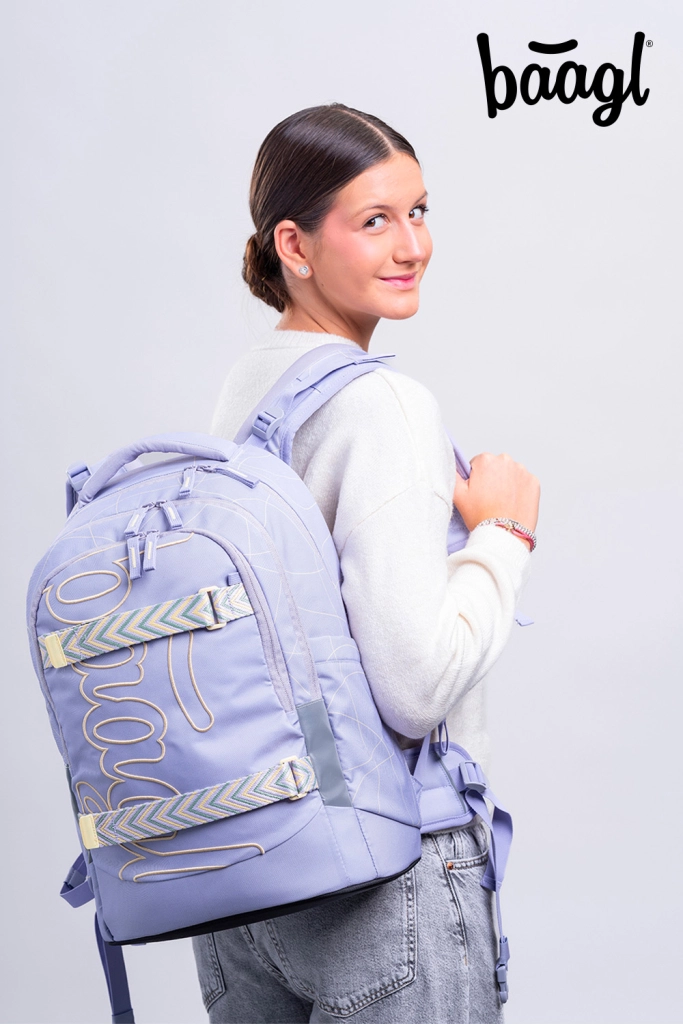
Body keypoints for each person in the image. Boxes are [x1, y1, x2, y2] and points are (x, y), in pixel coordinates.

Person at [192, 102, 540, 1024]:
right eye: (374, 220)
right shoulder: (384, 406)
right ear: (294, 246)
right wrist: (503, 536)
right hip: (385, 869)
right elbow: (413, 688)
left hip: (246, 874)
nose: (411, 246)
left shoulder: (248, 387)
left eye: (417, 212)